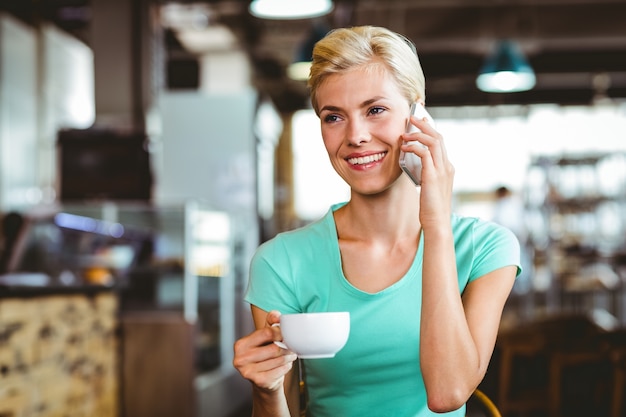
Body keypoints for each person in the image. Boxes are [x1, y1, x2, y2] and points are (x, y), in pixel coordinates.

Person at [233, 25, 521, 417]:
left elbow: (448, 392)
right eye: (333, 117)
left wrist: (435, 223)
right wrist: (266, 392)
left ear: (417, 113)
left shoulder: (485, 247)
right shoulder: (282, 261)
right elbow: (285, 405)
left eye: (376, 110)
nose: (356, 136)